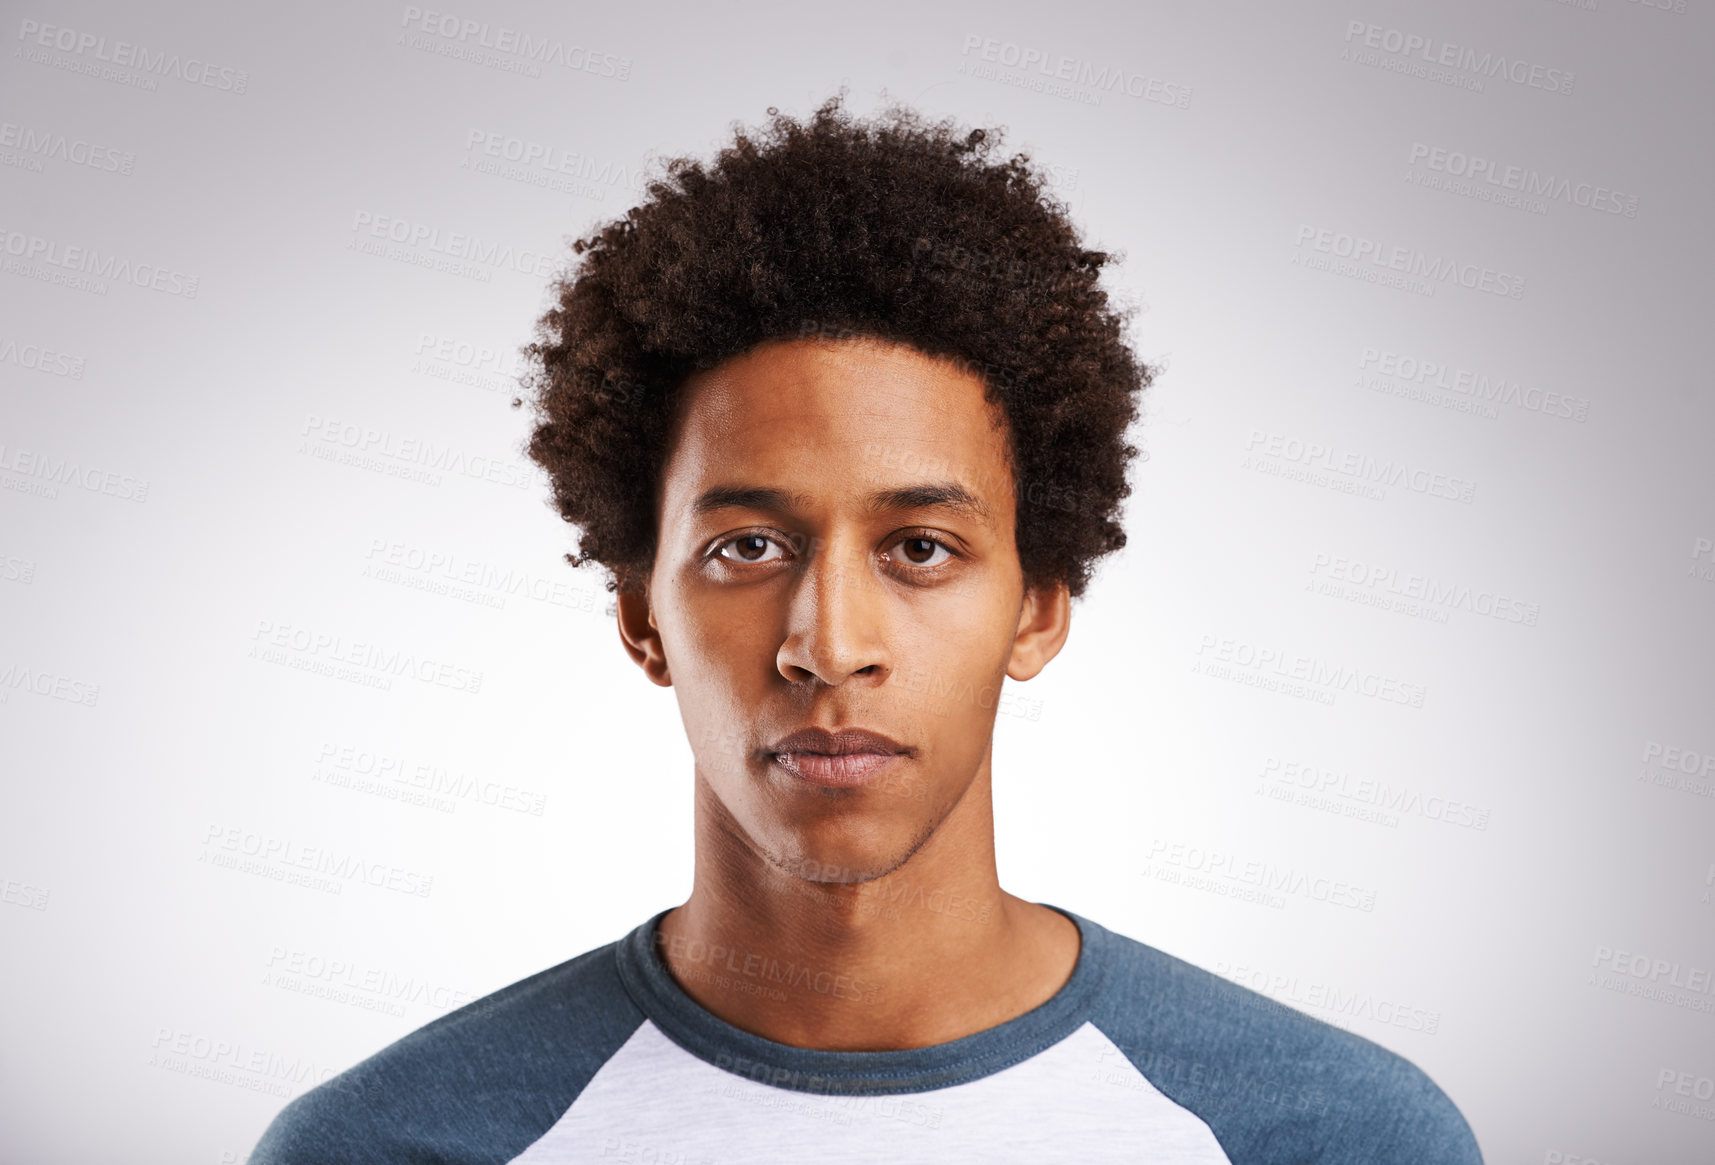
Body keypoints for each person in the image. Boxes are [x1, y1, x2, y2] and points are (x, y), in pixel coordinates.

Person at [250, 95, 1481, 1164]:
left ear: (1038, 605)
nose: (828, 644)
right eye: (747, 547)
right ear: (640, 618)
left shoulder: (1328, 1138)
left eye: (919, 549)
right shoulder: (398, 1146)